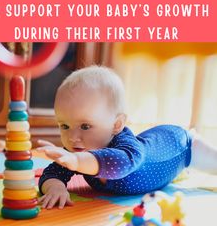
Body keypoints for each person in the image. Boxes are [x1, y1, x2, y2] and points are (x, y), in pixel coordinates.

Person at [37, 65, 217, 209]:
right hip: (152, 142)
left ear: (116, 125)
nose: (73, 137)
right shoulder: (79, 150)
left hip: (182, 145)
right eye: (65, 126)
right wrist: (56, 188)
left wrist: (76, 161)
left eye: (85, 126)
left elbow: (121, 164)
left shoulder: (127, 150)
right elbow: (52, 173)